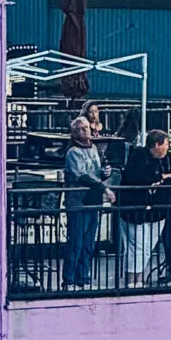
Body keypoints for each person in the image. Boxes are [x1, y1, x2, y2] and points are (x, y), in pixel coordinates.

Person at [117, 127, 171, 285]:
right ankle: (134, 279)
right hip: (136, 209)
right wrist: (158, 178)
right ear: (157, 145)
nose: (168, 148)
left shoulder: (166, 159)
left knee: (146, 246)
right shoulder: (139, 157)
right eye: (166, 144)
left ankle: (137, 278)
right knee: (137, 246)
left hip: (155, 211)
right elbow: (135, 177)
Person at [62, 115, 107, 290]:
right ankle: (70, 279)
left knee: (89, 242)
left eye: (86, 127)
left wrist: (104, 173)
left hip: (92, 200)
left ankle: (84, 277)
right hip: (78, 201)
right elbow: (81, 175)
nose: (85, 131)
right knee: (76, 241)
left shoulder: (94, 148)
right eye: (81, 128)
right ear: (74, 133)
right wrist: (103, 187)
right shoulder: (73, 152)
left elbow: (96, 171)